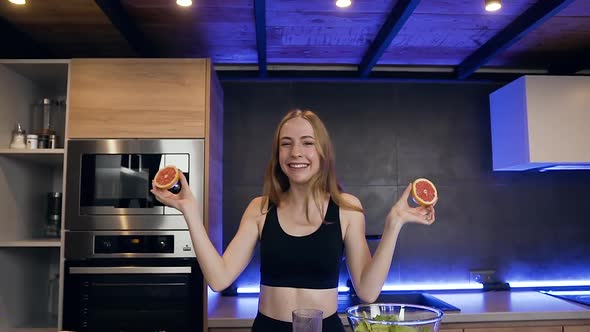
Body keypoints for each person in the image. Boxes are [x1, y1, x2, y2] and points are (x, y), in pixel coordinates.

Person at [151, 109, 436, 332]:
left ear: (322, 152)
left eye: (307, 143)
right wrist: (189, 209)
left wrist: (394, 222)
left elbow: (368, 291)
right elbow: (218, 278)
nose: (296, 152)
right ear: (278, 155)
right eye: (286, 144)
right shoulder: (260, 209)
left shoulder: (347, 209)